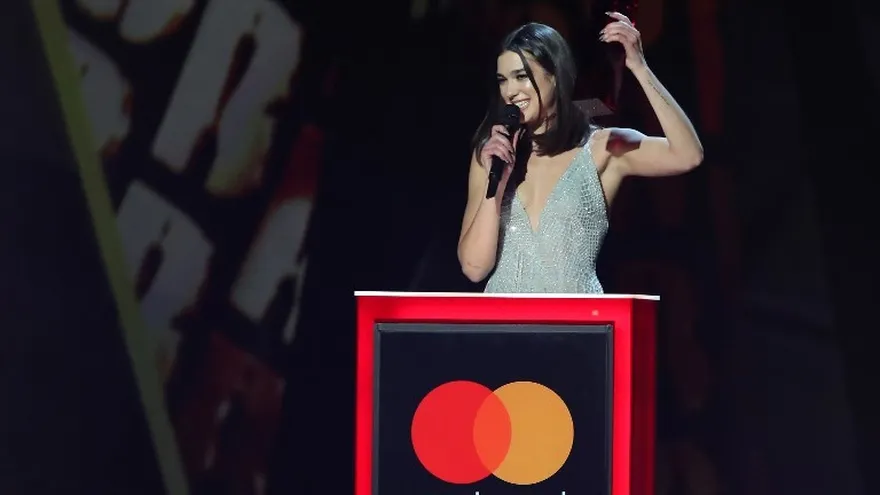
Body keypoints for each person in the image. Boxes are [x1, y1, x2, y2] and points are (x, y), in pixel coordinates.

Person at [457, 14, 703, 293]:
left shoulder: (601, 148)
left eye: (521, 77)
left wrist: (639, 67)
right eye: (503, 80)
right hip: (502, 332)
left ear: (555, 76)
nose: (510, 91)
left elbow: (688, 155)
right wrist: (498, 185)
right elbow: (474, 269)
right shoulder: (493, 155)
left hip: (578, 330)